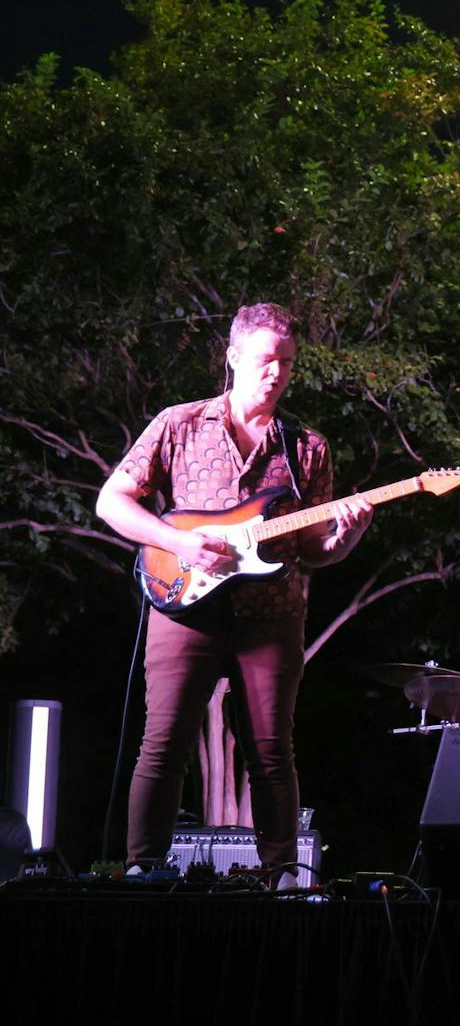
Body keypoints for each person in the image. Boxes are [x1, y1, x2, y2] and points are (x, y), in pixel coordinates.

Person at [96, 302, 373, 882]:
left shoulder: (307, 450)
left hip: (270, 616)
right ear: (234, 359)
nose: (277, 373)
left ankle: (282, 879)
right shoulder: (178, 424)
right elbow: (111, 502)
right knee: (163, 742)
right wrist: (180, 542)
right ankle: (143, 871)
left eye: (288, 363)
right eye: (267, 361)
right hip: (184, 603)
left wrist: (344, 540)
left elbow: (314, 551)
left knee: (272, 753)